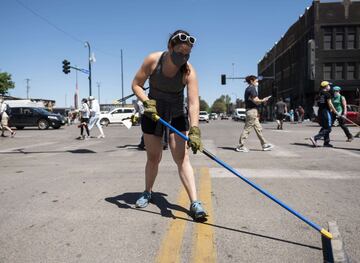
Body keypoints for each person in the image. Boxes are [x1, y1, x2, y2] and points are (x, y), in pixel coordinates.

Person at [131, 29, 207, 220]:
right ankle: (147, 192)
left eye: (186, 54)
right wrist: (146, 102)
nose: (183, 57)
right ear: (169, 47)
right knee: (154, 158)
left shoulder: (189, 70)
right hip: (153, 112)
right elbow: (136, 84)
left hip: (176, 114)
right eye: (179, 53)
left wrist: (195, 129)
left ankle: (195, 202)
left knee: (182, 158)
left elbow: (193, 102)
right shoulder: (153, 60)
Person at [235, 75, 274, 152]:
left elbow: (254, 101)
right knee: (247, 129)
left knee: (258, 128)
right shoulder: (252, 89)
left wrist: (261, 101)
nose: (257, 82)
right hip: (251, 112)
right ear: (252, 81)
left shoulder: (248, 89)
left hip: (252, 111)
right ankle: (240, 146)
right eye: (256, 81)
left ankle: (264, 145)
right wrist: (263, 100)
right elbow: (256, 100)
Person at [309, 81, 340, 147]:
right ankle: (315, 138)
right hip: (326, 112)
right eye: (329, 85)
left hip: (320, 112)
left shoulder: (319, 94)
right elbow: (330, 104)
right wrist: (335, 111)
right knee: (328, 128)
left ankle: (326, 142)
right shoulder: (327, 94)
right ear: (326, 86)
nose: (330, 86)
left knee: (324, 127)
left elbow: (316, 104)